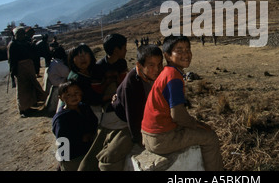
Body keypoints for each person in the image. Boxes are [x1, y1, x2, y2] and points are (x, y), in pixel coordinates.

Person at [141, 35, 223, 171]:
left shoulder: (167, 72)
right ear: (167, 56)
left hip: (149, 135)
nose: (186, 54)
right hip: (161, 138)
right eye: (179, 50)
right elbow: (178, 115)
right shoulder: (173, 77)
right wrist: (197, 124)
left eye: (188, 49)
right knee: (210, 137)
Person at [78, 44, 164, 171]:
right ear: (139, 65)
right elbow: (133, 118)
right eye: (151, 65)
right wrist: (141, 141)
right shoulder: (132, 83)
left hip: (131, 118)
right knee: (109, 157)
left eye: (159, 64)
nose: (157, 69)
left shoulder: (151, 76)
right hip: (119, 122)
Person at [52, 81, 98, 171]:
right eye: (68, 95)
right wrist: (80, 138)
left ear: (81, 93)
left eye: (76, 93)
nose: (73, 96)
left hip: (87, 150)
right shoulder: (61, 118)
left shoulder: (84, 107)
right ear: (61, 98)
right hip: (72, 156)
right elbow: (62, 140)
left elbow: (94, 122)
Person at [7, 26, 47, 117]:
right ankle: (23, 109)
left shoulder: (26, 43)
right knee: (22, 90)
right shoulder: (13, 45)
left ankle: (30, 105)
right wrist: (13, 72)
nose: (21, 35)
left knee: (30, 86)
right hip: (20, 69)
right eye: (18, 34)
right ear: (15, 35)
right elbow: (11, 60)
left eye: (22, 33)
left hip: (29, 67)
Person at [92, 33, 129, 99]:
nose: (126, 50)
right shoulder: (98, 67)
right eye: (124, 48)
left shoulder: (122, 63)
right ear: (116, 51)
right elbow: (96, 91)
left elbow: (123, 84)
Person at [43, 46, 70, 115]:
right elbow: (67, 73)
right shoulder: (58, 64)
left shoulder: (55, 61)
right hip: (58, 82)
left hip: (55, 81)